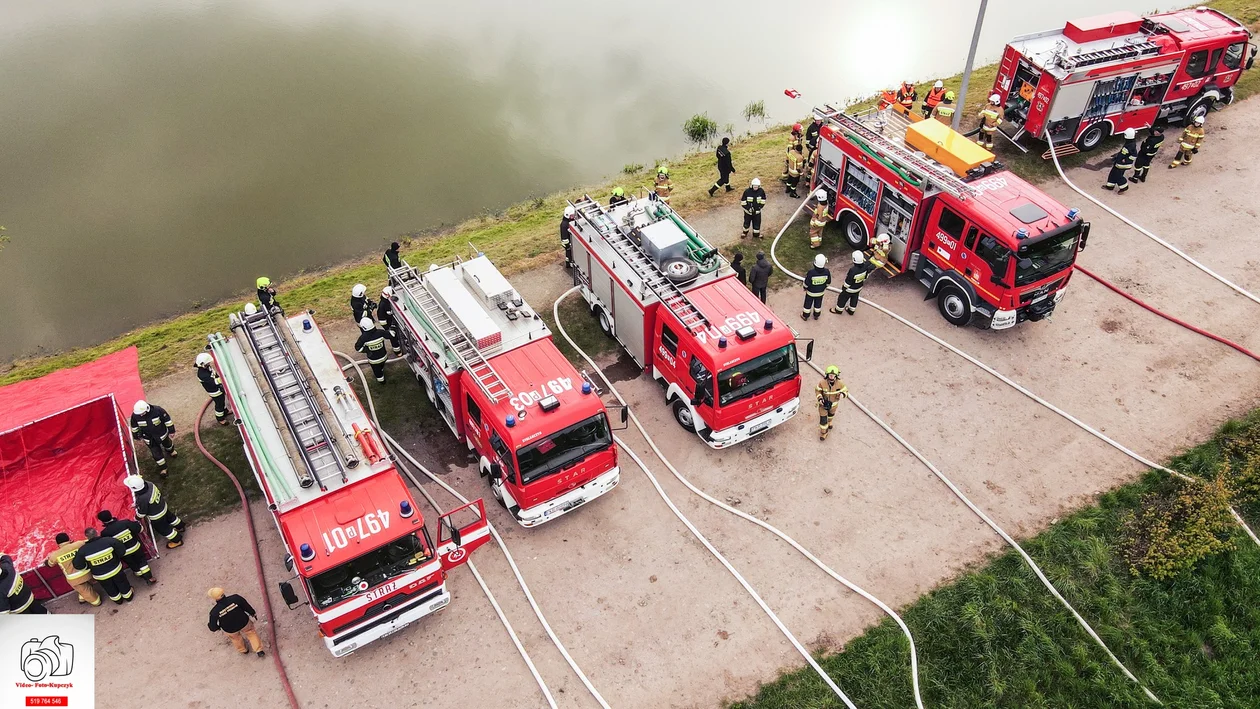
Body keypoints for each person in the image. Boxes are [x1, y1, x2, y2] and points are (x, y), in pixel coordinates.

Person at [72, 528, 133, 604]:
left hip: (100, 576)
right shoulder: (109, 540)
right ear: (96, 533)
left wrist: (88, 567)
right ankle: (128, 597)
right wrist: (117, 557)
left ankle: (118, 601)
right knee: (122, 582)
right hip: (116, 570)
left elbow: (78, 565)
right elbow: (121, 550)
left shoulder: (83, 550)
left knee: (109, 587)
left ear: (86, 537)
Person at [125, 475, 185, 549]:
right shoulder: (149, 484)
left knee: (164, 530)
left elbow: (142, 513)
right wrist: (138, 503)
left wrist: (137, 517)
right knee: (172, 518)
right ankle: (181, 527)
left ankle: (177, 540)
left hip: (157, 516)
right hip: (163, 506)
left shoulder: (142, 498)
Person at [96, 510, 155, 585]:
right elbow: (139, 529)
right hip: (135, 547)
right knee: (141, 560)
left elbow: (108, 546)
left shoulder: (105, 533)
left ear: (102, 521)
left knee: (132, 564)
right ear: (111, 515)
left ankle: (140, 574)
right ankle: (149, 577)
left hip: (123, 553)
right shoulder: (124, 523)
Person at [207, 588, 265, 658]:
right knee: (251, 633)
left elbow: (213, 627)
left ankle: (243, 650)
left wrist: (217, 628)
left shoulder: (214, 611)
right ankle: (259, 650)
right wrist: (252, 613)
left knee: (236, 639)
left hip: (230, 629)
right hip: (244, 622)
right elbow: (246, 606)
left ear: (214, 598)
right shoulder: (236, 598)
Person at [46, 533, 100, 606]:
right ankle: (82, 597)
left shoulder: (55, 555)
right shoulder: (78, 544)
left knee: (87, 592)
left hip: (74, 579)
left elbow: (49, 564)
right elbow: (91, 540)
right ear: (69, 539)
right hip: (88, 573)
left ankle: (96, 602)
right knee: (85, 587)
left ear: (58, 544)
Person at [131, 400, 176, 477]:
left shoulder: (158, 410)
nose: (141, 415)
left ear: (147, 409)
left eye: (142, 413)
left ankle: (171, 451)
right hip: (149, 438)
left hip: (162, 434)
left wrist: (171, 431)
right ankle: (163, 468)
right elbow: (134, 427)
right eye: (139, 414)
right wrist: (137, 436)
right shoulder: (135, 415)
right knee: (156, 454)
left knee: (168, 444)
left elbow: (167, 420)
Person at [831, 251, 875, 315]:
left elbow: (848, 280)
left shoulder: (853, 270)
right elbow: (867, 273)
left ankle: (838, 310)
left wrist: (844, 287)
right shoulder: (865, 266)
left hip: (850, 289)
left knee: (842, 298)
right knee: (854, 299)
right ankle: (851, 311)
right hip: (859, 287)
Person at [815, 365, 849, 441]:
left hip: (833, 405)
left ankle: (830, 421)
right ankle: (824, 433)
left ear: (836, 375)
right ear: (827, 375)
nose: (831, 376)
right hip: (823, 405)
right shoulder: (822, 383)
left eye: (833, 375)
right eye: (830, 375)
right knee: (823, 421)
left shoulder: (840, 383)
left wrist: (842, 395)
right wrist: (820, 398)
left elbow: (846, 391)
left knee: (831, 415)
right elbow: (817, 390)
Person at [195, 353, 231, 426]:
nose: (209, 363)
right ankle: (220, 418)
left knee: (222, 401)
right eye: (207, 363)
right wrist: (223, 379)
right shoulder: (202, 375)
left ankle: (225, 411)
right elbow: (214, 382)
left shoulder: (206, 367)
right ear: (203, 364)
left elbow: (214, 374)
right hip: (215, 392)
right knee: (219, 404)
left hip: (218, 389)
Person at [356, 317, 389, 384]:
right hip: (384, 356)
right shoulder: (380, 332)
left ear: (364, 328)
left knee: (377, 371)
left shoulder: (363, 338)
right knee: (381, 365)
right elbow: (389, 335)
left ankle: (382, 381)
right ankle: (382, 369)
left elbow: (358, 348)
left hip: (374, 360)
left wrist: (367, 350)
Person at [1103, 128, 1138, 193]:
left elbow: (1134, 155)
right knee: (1112, 174)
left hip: (1123, 165)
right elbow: (1123, 153)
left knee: (1118, 176)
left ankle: (1124, 187)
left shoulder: (1131, 145)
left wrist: (1126, 160)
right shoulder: (1129, 143)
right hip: (1119, 163)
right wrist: (1116, 158)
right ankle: (1110, 186)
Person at [802, 254, 830, 321]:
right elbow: (828, 282)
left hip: (810, 293)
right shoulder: (827, 272)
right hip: (820, 293)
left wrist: (805, 287)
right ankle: (816, 315)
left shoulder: (811, 273)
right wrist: (823, 287)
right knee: (818, 304)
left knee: (807, 304)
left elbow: (807, 283)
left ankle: (805, 316)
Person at [377, 286, 401, 351]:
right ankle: (397, 351)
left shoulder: (388, 301)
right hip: (389, 325)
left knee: (399, 335)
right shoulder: (382, 306)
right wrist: (388, 329)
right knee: (393, 337)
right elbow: (382, 320)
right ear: (387, 295)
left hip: (395, 322)